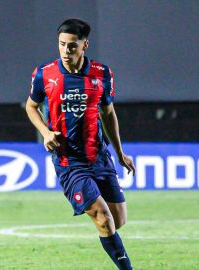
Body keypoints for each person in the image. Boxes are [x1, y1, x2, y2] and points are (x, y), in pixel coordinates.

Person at [25, 18, 135, 269]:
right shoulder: (45, 73)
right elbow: (31, 106)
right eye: (62, 44)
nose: (65, 51)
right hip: (69, 161)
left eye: (72, 46)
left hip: (99, 157)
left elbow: (108, 113)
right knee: (104, 219)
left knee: (117, 220)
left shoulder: (102, 74)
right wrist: (45, 131)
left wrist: (120, 152)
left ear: (85, 45)